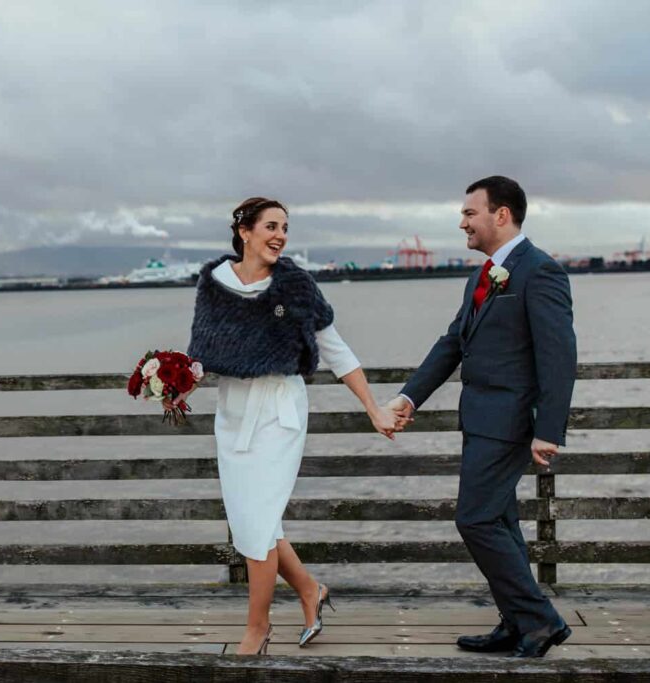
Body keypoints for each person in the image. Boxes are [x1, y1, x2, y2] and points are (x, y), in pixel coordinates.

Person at [183, 197, 401, 655]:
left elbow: (337, 351)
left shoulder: (296, 287)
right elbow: (202, 354)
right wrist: (173, 382)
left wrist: (373, 408)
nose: (280, 235)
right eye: (271, 226)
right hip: (234, 414)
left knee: (259, 522)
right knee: (251, 523)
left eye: (285, 227)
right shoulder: (214, 284)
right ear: (244, 231)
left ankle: (257, 630)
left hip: (280, 412)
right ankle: (310, 590)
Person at [387, 176, 576, 658]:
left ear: (502, 215)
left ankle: (540, 620)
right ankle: (515, 622)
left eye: (470, 213)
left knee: (474, 519)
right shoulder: (484, 274)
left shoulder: (541, 271)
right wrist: (410, 397)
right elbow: (453, 342)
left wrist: (548, 430)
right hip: (479, 420)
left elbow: (559, 357)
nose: (462, 222)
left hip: (511, 421)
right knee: (499, 520)